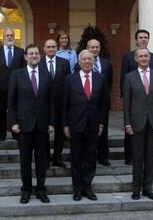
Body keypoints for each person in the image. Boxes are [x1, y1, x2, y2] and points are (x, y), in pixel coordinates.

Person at [8, 44, 54, 204]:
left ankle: (41, 189)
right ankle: (26, 190)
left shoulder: (47, 75)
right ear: (26, 57)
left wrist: (51, 123)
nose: (34, 56)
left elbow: (51, 102)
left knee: (42, 160)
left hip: (42, 126)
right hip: (23, 125)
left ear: (39, 57)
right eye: (31, 53)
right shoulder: (16, 75)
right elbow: (11, 102)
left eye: (36, 53)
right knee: (25, 160)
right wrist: (13, 122)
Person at [62, 50, 108, 201]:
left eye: (90, 59)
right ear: (79, 62)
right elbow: (65, 104)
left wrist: (101, 123)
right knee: (76, 158)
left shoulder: (100, 78)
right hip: (75, 125)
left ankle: (87, 186)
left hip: (93, 125)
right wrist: (65, 125)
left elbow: (103, 104)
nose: (87, 61)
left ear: (93, 61)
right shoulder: (70, 79)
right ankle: (77, 189)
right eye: (84, 59)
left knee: (90, 157)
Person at [123, 48, 153, 201]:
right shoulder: (129, 77)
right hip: (136, 122)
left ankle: (148, 188)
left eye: (146, 56)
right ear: (136, 59)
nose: (143, 58)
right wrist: (127, 123)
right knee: (138, 157)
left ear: (149, 58)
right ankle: (136, 190)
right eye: (140, 56)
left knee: (150, 157)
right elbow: (126, 103)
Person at [120, 29, 153, 165]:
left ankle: (149, 157)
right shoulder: (128, 56)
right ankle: (130, 156)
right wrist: (124, 96)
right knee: (130, 130)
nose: (143, 39)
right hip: (133, 99)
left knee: (149, 131)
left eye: (145, 37)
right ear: (136, 39)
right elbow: (123, 77)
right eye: (140, 37)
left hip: (149, 101)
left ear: (148, 39)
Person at [39, 39, 70, 168]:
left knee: (59, 134)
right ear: (44, 48)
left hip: (59, 105)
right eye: (49, 47)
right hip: (42, 106)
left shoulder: (65, 63)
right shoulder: (38, 63)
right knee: (43, 134)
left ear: (57, 48)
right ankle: (45, 159)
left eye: (53, 47)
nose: (51, 49)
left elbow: (68, 84)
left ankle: (57, 158)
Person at [0, 28, 25, 141]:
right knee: (0, 112)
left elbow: (24, 70)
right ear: (3, 37)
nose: (9, 37)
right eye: (7, 35)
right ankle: (1, 134)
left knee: (15, 111)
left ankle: (16, 133)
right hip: (1, 88)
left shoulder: (20, 51)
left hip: (16, 88)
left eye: (11, 35)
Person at [86, 39, 113, 167]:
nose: (95, 49)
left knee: (103, 131)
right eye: (92, 47)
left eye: (97, 47)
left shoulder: (106, 64)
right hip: (86, 104)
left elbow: (109, 84)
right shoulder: (80, 64)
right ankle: (88, 156)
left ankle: (103, 157)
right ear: (88, 48)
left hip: (102, 104)